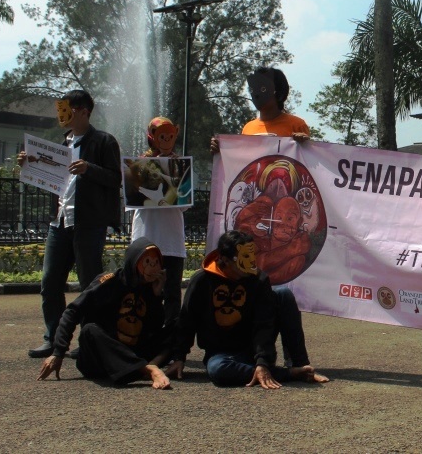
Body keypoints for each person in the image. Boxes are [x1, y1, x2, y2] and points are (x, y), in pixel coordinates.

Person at [209, 67, 327, 383]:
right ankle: (256, 353)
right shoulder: (248, 127)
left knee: (284, 292)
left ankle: (295, 360)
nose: (257, 94)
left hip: (287, 222)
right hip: (257, 224)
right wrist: (222, 151)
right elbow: (242, 170)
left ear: (277, 91)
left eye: (263, 88)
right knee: (254, 282)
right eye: (253, 89)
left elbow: (311, 167)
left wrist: (306, 143)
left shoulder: (295, 124)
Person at [20, 89, 122, 359]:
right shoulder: (60, 143)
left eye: (67, 109)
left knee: (90, 283)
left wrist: (89, 168)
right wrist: (28, 164)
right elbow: (48, 177)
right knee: (50, 281)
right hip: (60, 221)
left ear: (83, 111)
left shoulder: (103, 141)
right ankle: (53, 338)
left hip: (88, 222)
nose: (61, 114)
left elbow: (115, 178)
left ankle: (91, 339)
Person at [168, 230, 320, 388]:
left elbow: (264, 322)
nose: (251, 262)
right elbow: (187, 320)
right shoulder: (202, 281)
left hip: (253, 348)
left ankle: (302, 366)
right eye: (244, 258)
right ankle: (288, 373)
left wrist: (262, 361)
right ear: (225, 260)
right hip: (222, 354)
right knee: (218, 370)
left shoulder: (259, 279)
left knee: (283, 294)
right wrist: (179, 357)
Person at [37, 238, 172, 389]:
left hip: (133, 352)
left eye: (156, 262)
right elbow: (72, 311)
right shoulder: (109, 282)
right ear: (134, 262)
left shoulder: (150, 288)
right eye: (147, 262)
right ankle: (147, 369)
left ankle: (148, 365)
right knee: (90, 330)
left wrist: (156, 296)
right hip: (99, 358)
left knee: (176, 325)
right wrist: (58, 352)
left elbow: (154, 328)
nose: (152, 268)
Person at [129, 116, 187, 328]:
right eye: (162, 135)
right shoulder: (139, 165)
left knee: (172, 291)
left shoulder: (181, 166)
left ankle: (171, 338)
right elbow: (132, 198)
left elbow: (183, 203)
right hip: (146, 237)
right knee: (143, 289)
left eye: (170, 135)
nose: (166, 139)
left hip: (171, 239)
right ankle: (143, 334)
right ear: (152, 138)